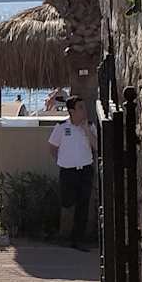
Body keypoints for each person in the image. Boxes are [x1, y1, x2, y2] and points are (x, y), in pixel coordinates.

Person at [48, 95, 97, 249]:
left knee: (84, 204)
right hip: (68, 171)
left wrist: (86, 130)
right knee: (67, 203)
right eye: (80, 108)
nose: (84, 111)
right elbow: (52, 147)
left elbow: (97, 146)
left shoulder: (90, 126)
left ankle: (78, 239)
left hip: (85, 170)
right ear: (71, 111)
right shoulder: (62, 127)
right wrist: (62, 161)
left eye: (84, 107)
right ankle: (64, 236)